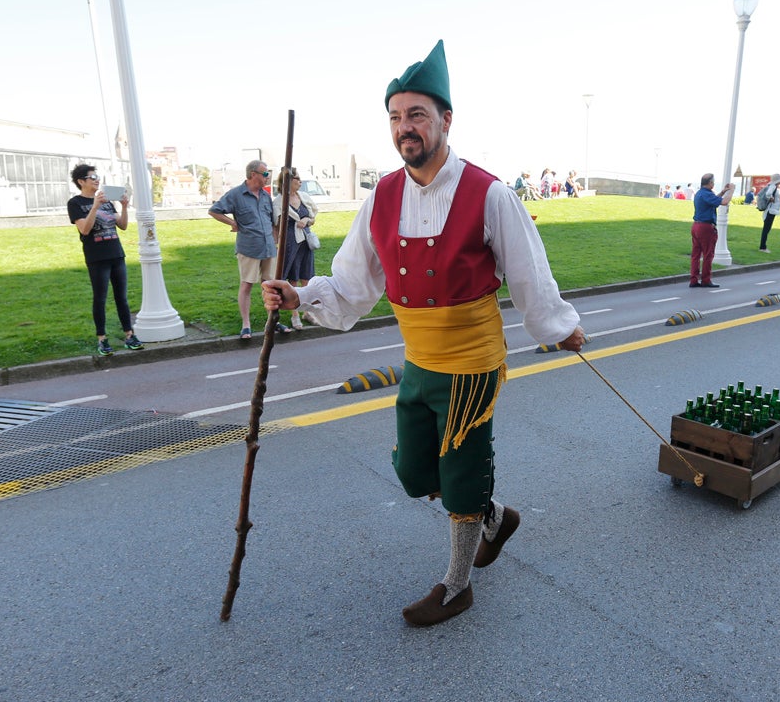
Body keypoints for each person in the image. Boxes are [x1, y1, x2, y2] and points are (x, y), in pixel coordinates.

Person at [261, 40, 585, 627]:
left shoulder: (489, 193)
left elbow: (530, 273)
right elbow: (353, 285)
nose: (404, 128)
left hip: (473, 357)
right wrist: (299, 296)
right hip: (420, 359)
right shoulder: (381, 197)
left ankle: (456, 584)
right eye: (395, 117)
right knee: (416, 472)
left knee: (460, 467)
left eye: (416, 115)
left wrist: (559, 328)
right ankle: (495, 516)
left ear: (445, 121)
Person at [67, 164, 144, 356]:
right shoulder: (75, 203)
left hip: (116, 254)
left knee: (122, 298)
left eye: (97, 176)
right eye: (92, 176)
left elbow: (123, 225)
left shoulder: (108, 201)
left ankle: (129, 335)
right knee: (100, 298)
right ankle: (102, 339)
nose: (96, 179)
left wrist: (125, 207)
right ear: (81, 181)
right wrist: (95, 206)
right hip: (97, 257)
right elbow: (85, 229)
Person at [209, 160, 290, 339]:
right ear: (253, 174)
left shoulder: (266, 195)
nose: (268, 177)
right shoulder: (236, 195)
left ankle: (273, 321)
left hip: (269, 247)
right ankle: (246, 325)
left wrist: (275, 240)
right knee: (246, 285)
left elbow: (270, 221)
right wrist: (232, 222)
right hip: (249, 247)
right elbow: (214, 210)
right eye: (265, 173)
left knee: (271, 286)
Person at [272, 167, 318, 330]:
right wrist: (277, 244)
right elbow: (276, 225)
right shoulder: (279, 201)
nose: (300, 181)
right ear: (288, 181)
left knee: (306, 277)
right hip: (290, 243)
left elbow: (313, 217)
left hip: (305, 242)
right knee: (292, 279)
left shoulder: (304, 197)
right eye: (297, 178)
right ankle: (295, 314)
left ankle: (307, 311)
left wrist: (306, 220)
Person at [689, 173, 734, 289]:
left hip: (696, 226)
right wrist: (731, 191)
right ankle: (706, 280)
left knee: (695, 255)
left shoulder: (700, 193)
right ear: (710, 183)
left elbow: (714, 200)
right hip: (706, 227)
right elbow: (724, 202)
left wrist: (723, 192)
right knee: (708, 254)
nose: (713, 184)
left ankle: (693, 279)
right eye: (713, 182)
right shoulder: (707, 194)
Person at [758, 173, 780, 253]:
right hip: (771, 210)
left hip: (771, 210)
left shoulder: (773, 186)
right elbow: (768, 194)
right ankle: (763, 247)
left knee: (766, 229)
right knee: (766, 229)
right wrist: (771, 198)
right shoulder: (773, 187)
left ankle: (763, 246)